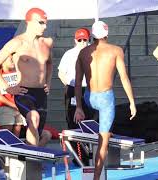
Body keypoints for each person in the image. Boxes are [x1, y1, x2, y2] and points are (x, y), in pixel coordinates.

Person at [74, 21, 136, 180]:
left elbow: (78, 81)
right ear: (107, 34)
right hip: (105, 98)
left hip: (89, 97)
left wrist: (79, 107)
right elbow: (123, 77)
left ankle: (103, 128)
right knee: (103, 143)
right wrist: (132, 102)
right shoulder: (115, 51)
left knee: (102, 123)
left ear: (92, 35)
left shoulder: (83, 53)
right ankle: (96, 177)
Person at [0, 7, 53, 146]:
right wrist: (6, 87)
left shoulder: (46, 43)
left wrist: (48, 82)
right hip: (24, 92)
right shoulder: (17, 43)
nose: (45, 26)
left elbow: (49, 64)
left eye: (46, 23)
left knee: (39, 130)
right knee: (33, 118)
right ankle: (32, 161)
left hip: (41, 93)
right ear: (29, 22)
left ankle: (31, 160)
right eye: (41, 23)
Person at [58, 27, 95, 166]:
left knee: (90, 122)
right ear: (75, 40)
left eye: (84, 40)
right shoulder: (69, 54)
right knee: (73, 124)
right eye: (79, 40)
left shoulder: (92, 52)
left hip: (89, 89)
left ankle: (90, 154)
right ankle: (80, 157)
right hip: (73, 89)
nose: (82, 42)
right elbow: (61, 73)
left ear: (88, 39)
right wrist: (70, 86)